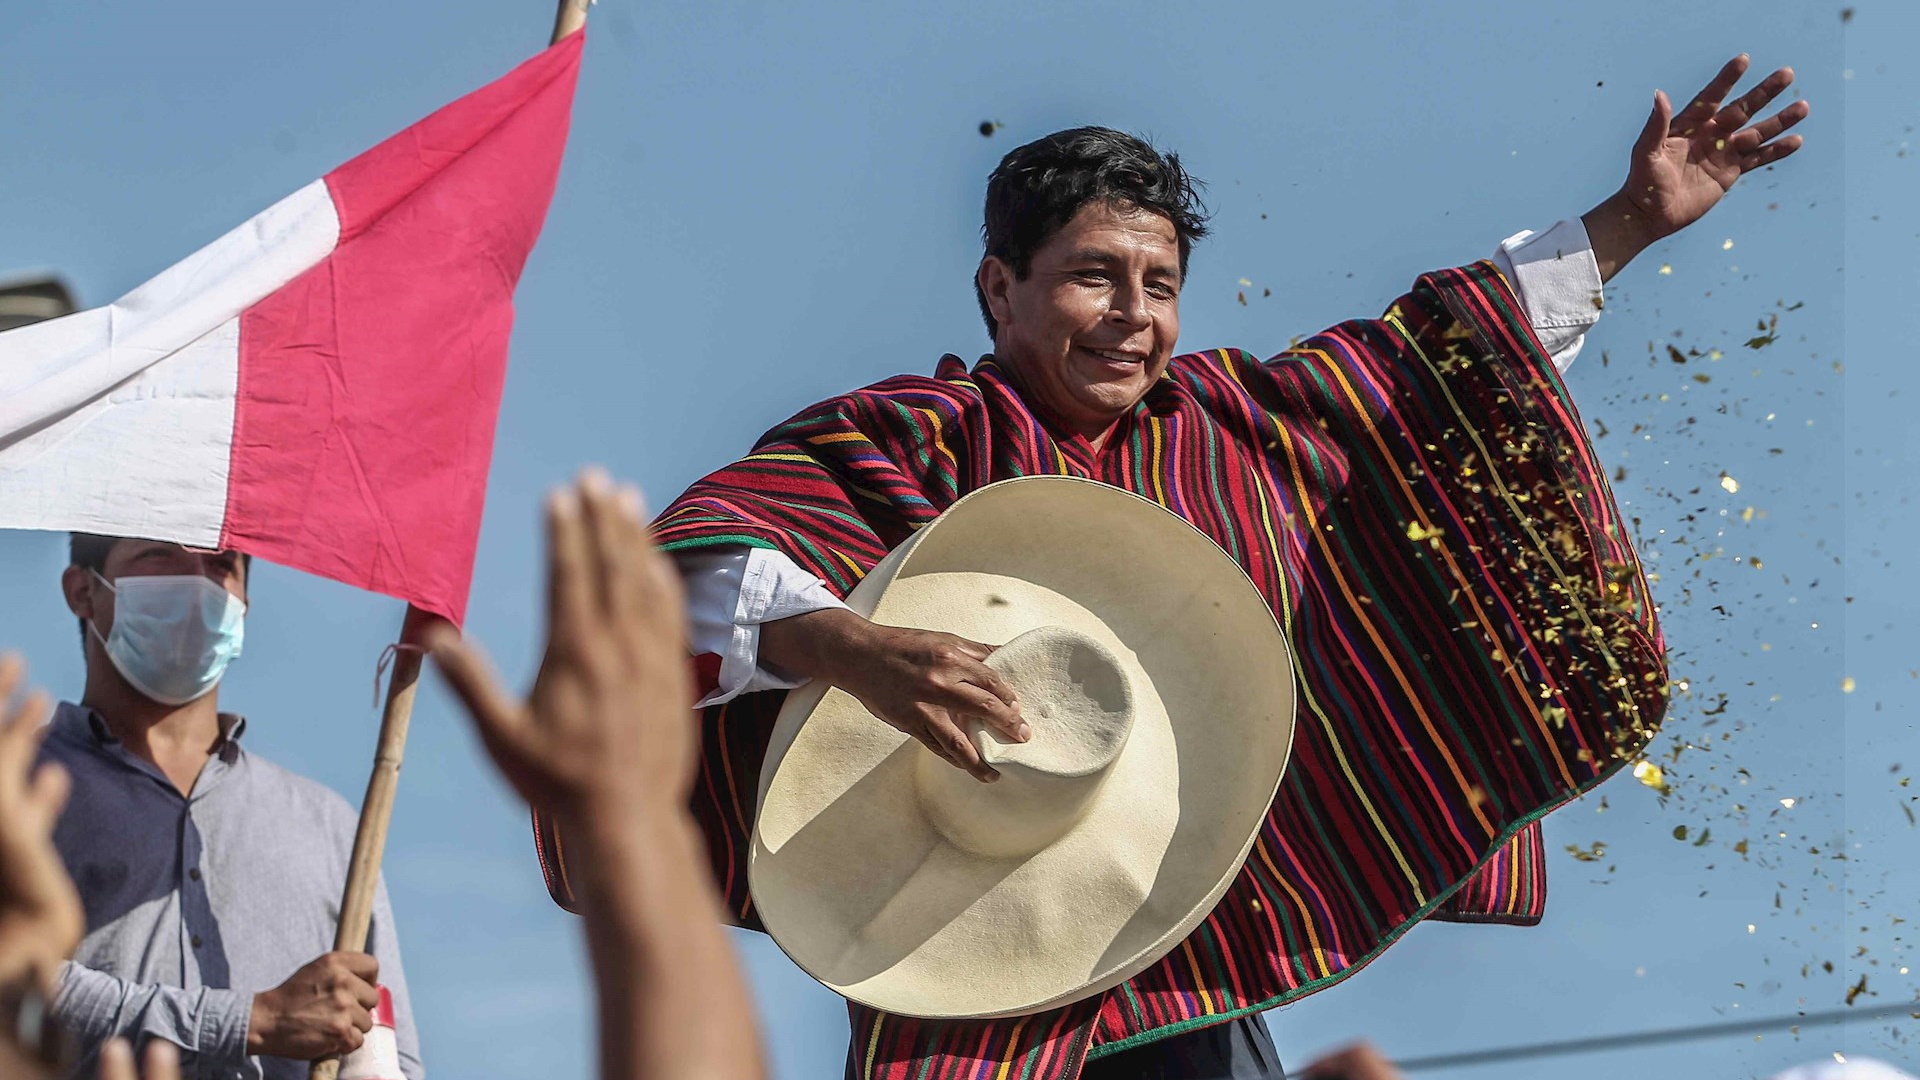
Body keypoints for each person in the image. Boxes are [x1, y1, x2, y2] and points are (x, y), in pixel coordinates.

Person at [529, 55, 1809, 1080]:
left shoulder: (1229, 433)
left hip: (1181, 960)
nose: (1135, 314)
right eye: (1093, 276)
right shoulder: (910, 438)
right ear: (999, 289)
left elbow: (1434, 370)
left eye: (1161, 283)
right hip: (955, 968)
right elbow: (674, 582)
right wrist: (846, 646)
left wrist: (1634, 219)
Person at [39, 536, 422, 1079]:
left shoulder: (330, 827)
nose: (198, 584)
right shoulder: (18, 788)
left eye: (221, 564)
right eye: (160, 555)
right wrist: (248, 1021)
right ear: (83, 590)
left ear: (244, 602)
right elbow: (17, 983)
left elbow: (393, 1055)